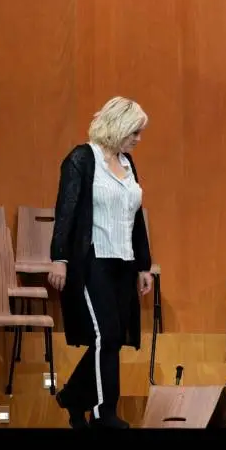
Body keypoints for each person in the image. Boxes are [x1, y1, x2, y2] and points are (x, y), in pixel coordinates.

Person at [47, 96, 153, 429]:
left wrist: (144, 265)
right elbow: (66, 210)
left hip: (124, 263)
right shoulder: (82, 159)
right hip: (92, 261)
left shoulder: (128, 163)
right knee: (105, 336)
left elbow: (135, 218)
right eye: (134, 132)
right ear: (118, 126)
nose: (138, 139)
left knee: (111, 338)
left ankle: (72, 396)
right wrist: (59, 257)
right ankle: (103, 413)